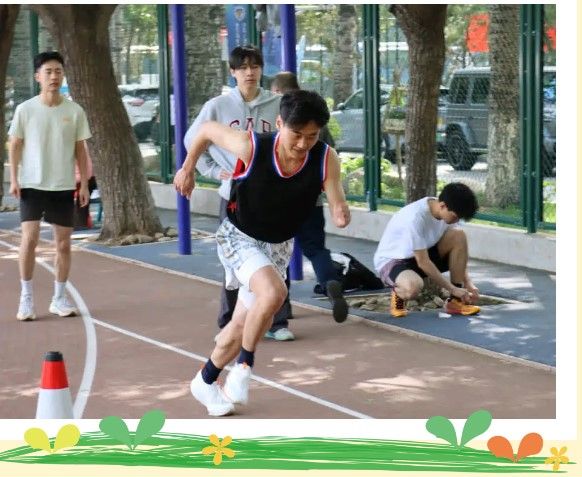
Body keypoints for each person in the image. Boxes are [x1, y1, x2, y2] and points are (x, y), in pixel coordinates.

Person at [174, 90, 351, 416]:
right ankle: (244, 368)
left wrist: (340, 210)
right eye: (297, 134)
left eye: (312, 136)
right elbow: (206, 130)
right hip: (239, 237)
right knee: (274, 293)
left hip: (278, 247)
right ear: (280, 124)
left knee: (243, 324)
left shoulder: (326, 158)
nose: (303, 144)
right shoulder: (251, 145)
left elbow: (335, 196)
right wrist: (187, 169)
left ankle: (206, 379)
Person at [183, 45, 296, 341]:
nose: (249, 72)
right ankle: (229, 322)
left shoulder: (278, 104)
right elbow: (193, 139)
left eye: (254, 66)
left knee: (277, 257)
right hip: (235, 195)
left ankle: (278, 322)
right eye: (243, 67)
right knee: (234, 260)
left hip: (273, 195)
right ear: (232, 72)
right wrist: (212, 171)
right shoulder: (218, 106)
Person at [8, 51, 91, 321]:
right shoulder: (25, 109)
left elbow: (80, 150)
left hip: (63, 186)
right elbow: (15, 145)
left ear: (63, 75)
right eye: (48, 72)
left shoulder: (74, 111)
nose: (54, 76)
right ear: (38, 77)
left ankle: (59, 298)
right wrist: (14, 179)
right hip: (31, 184)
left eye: (58, 71)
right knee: (29, 239)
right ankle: (26, 299)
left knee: (63, 245)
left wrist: (84, 184)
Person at [270, 71, 348, 326]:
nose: (303, 143)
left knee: (278, 254)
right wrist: (337, 204)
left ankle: (281, 310)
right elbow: (331, 155)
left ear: (278, 93)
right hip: (311, 201)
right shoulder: (317, 118)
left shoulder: (284, 123)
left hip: (281, 203)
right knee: (316, 249)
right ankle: (329, 281)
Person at [373, 182, 481, 318]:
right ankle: (399, 292)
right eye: (455, 217)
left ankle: (455, 302)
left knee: (458, 235)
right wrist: (452, 288)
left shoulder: (449, 211)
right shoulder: (415, 217)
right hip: (394, 261)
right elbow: (423, 262)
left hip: (422, 255)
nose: (456, 220)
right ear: (442, 206)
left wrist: (468, 283)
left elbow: (459, 253)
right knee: (412, 288)